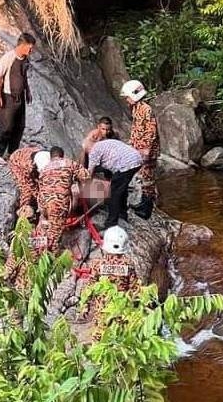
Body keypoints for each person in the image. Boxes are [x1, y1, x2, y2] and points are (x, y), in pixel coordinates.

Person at [82, 226, 142, 339]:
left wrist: (85, 306)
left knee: (99, 342)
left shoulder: (98, 264)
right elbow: (135, 289)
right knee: (119, 340)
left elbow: (90, 286)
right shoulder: (128, 265)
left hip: (102, 312)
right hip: (121, 310)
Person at [0, 33, 36, 164]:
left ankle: (12, 152)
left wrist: (27, 91)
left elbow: (24, 75)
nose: (31, 51)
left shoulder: (25, 59)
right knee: (6, 126)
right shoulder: (8, 58)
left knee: (20, 126)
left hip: (20, 96)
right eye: (30, 48)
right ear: (22, 46)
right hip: (8, 96)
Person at [37, 146, 91, 252]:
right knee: (55, 235)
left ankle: (35, 248)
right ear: (62, 155)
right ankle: (49, 257)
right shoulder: (68, 163)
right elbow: (86, 176)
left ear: (51, 157)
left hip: (43, 203)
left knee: (45, 227)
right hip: (58, 203)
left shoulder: (44, 168)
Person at [120, 80, 160, 219]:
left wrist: (147, 149)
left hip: (146, 150)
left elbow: (150, 131)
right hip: (138, 148)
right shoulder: (136, 108)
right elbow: (137, 130)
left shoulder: (146, 109)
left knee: (148, 178)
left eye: (127, 96)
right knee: (143, 177)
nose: (126, 99)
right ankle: (143, 202)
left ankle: (147, 208)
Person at [87, 137, 143, 229]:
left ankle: (111, 222)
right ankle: (122, 214)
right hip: (136, 159)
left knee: (114, 193)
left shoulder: (93, 151)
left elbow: (89, 174)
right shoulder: (103, 144)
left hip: (127, 164)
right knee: (122, 189)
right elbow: (108, 165)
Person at [2, 217, 53, 293]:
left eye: (46, 229)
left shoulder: (47, 240)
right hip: (22, 258)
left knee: (23, 278)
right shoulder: (28, 233)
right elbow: (14, 255)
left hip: (31, 266)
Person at [8, 145, 46, 220]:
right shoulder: (28, 168)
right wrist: (26, 205)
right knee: (28, 190)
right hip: (18, 163)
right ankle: (25, 209)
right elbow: (27, 187)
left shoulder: (55, 162)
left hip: (34, 154)